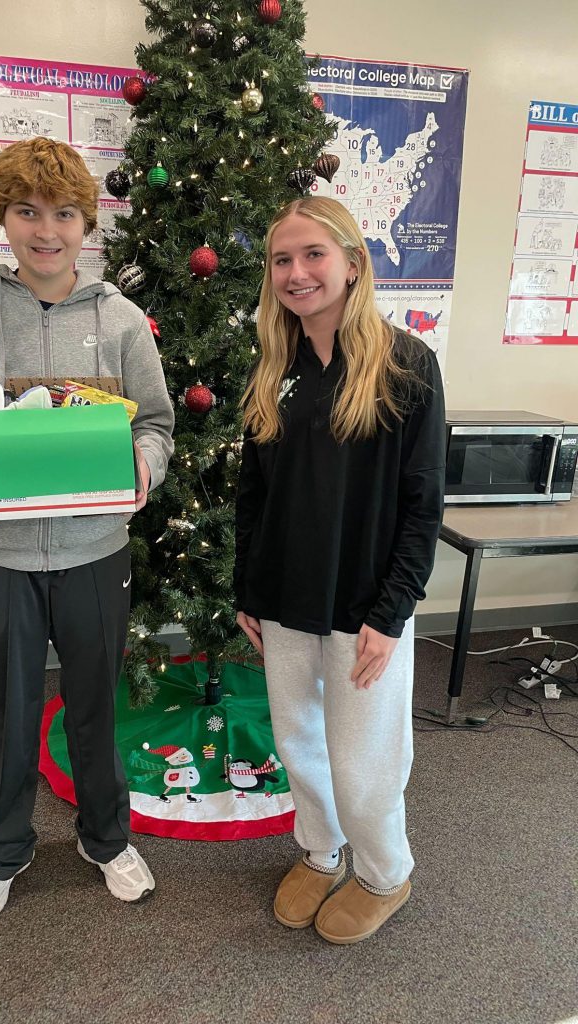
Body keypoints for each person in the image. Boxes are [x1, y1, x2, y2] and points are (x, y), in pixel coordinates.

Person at [0, 137, 174, 924]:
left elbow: (155, 424)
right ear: (3, 219)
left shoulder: (121, 322)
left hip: (95, 553)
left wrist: (145, 466)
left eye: (62, 213)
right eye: (26, 212)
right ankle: (2, 851)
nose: (45, 230)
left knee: (95, 705)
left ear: (87, 222)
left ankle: (106, 837)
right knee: (11, 712)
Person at [234, 197, 445, 945]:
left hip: (366, 605)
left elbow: (423, 506)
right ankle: (321, 854)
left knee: (364, 761)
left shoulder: (407, 364)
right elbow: (254, 494)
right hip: (286, 596)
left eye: (313, 255)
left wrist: (390, 615)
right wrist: (247, 591)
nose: (297, 273)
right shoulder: (274, 366)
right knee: (299, 740)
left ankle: (385, 872)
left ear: (354, 263)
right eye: (282, 260)